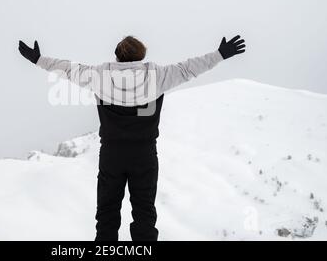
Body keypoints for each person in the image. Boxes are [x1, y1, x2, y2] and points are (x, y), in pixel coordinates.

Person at [18, 35, 246, 241]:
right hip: (144, 155)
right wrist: (220, 54)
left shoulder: (100, 76)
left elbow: (67, 69)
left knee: (107, 212)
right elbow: (189, 69)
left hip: (111, 155)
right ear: (142, 55)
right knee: (144, 213)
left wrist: (38, 59)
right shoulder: (158, 76)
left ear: (117, 56)